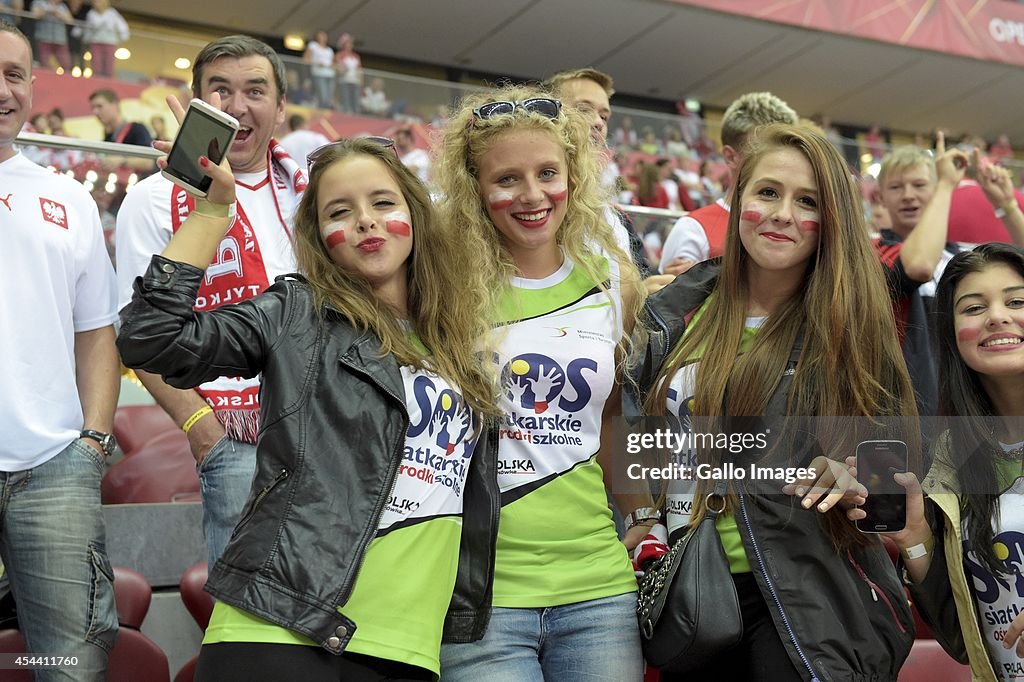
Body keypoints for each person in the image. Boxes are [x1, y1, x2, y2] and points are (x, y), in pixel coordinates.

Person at [118, 128, 501, 681]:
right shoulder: (296, 313)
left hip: (408, 647)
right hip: (281, 631)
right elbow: (151, 339)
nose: (365, 221)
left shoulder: (458, 343)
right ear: (320, 237)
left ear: (416, 215)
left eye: (383, 202)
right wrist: (209, 217)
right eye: (339, 212)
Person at [634, 123, 920, 680]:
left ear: (830, 220)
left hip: (808, 597)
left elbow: (894, 466)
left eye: (807, 201)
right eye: (767, 192)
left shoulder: (851, 324)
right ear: (738, 199)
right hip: (690, 593)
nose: (783, 213)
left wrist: (853, 472)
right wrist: (642, 514)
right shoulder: (674, 312)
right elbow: (633, 440)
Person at [434, 85, 650, 682]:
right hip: (481, 594)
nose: (532, 196)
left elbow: (609, 418)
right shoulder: (444, 289)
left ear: (574, 176)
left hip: (598, 586)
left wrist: (641, 518)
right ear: (475, 189)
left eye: (548, 173)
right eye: (507, 179)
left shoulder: (613, 283)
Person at [115, 35, 303, 567]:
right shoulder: (152, 198)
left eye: (255, 91)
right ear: (197, 102)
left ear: (281, 107)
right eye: (220, 90)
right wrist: (204, 432)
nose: (238, 106)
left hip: (330, 427)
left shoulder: (316, 193)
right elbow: (135, 332)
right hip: (237, 441)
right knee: (245, 623)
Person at [0, 21, 119, 678]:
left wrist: (93, 444)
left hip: (53, 471)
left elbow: (96, 331)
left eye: (15, 74)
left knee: (67, 664)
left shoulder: (68, 198)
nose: (2, 90)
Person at [890, 243, 1024, 681]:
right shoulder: (950, 458)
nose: (998, 316)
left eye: (1016, 300)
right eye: (974, 307)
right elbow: (960, 635)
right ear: (951, 334)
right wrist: (916, 539)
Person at [659, 91, 798, 276]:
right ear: (730, 156)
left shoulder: (798, 225)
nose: (776, 164)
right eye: (760, 153)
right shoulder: (694, 229)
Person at [82, 0, 128, 78]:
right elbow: (88, 28)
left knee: (109, 65)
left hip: (110, 43)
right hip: (95, 42)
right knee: (96, 64)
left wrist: (123, 36)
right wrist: (86, 39)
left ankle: (108, 83)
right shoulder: (91, 14)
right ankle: (96, 82)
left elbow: (122, 26)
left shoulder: (112, 13)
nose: (96, 3)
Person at [30, 0, 70, 71]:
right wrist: (47, 10)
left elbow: (70, 20)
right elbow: (34, 15)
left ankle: (66, 80)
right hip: (44, 38)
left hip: (60, 39)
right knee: (45, 63)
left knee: (66, 63)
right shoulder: (39, 2)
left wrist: (59, 14)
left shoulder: (62, 6)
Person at [302, 30, 333, 110]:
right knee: (322, 95)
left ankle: (325, 110)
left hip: (330, 74)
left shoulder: (329, 50)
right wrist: (317, 63)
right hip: (318, 73)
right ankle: (321, 110)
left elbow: (332, 62)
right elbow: (306, 59)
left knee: (328, 96)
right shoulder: (313, 45)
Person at [334, 32, 361, 114]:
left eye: (350, 43)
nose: (349, 45)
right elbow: (338, 66)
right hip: (344, 80)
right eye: (347, 43)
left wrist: (360, 79)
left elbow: (359, 69)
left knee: (355, 99)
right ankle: (346, 112)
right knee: (346, 98)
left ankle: (356, 113)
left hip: (354, 80)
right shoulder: (339, 55)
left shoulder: (356, 56)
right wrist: (342, 69)